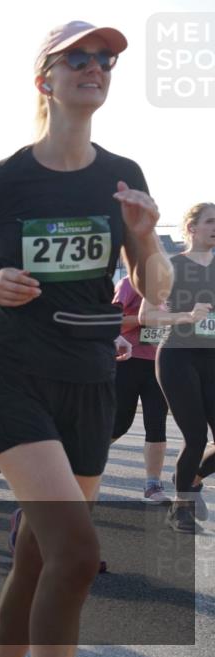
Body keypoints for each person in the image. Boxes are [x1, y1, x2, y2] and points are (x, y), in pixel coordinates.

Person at [0, 21, 172, 657]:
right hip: (14, 373)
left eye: (105, 61)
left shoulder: (122, 175)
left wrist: (146, 236)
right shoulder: (6, 177)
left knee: (38, 558)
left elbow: (153, 289)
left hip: (89, 378)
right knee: (78, 554)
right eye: (78, 59)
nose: (95, 68)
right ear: (45, 81)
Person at [141, 202, 215, 531]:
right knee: (196, 436)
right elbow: (146, 316)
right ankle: (180, 506)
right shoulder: (172, 266)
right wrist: (186, 316)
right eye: (210, 221)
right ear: (191, 228)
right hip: (178, 356)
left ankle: (190, 478)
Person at [111, 274, 171, 503]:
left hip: (159, 363)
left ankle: (153, 484)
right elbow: (112, 321)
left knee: (157, 424)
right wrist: (143, 318)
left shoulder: (171, 287)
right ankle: (82, 461)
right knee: (120, 422)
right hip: (128, 361)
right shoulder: (129, 283)